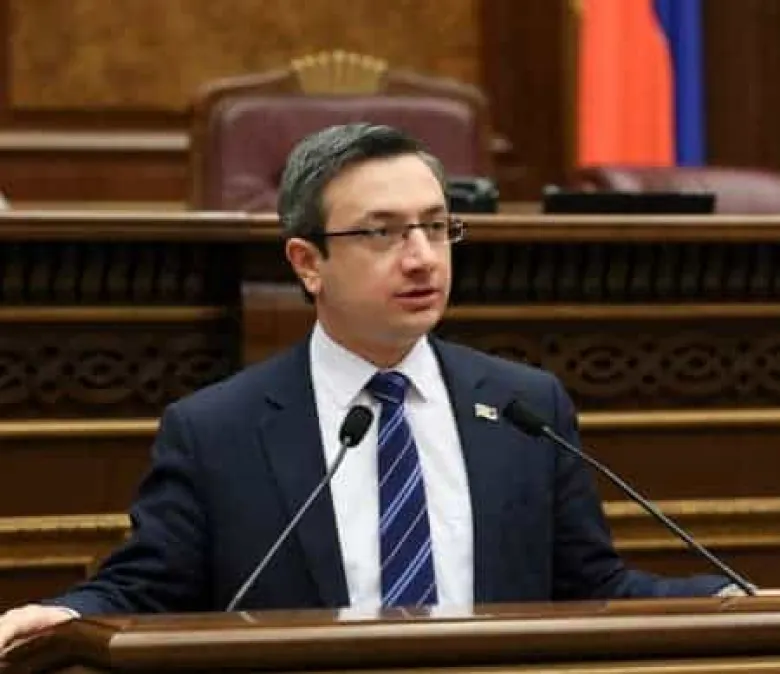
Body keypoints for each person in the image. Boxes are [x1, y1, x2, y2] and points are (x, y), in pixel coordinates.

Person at [0, 123, 744, 653]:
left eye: (437, 227)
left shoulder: (525, 406)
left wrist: (725, 600)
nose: (422, 258)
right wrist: (62, 614)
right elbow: (145, 589)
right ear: (307, 263)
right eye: (383, 233)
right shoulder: (218, 430)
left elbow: (589, 585)